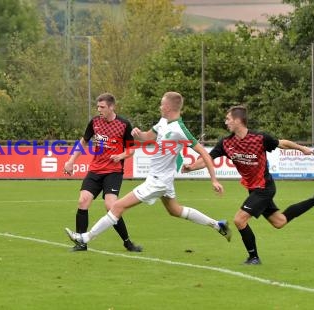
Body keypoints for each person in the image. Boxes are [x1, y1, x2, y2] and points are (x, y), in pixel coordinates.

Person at [65, 91, 231, 249]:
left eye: (162, 105)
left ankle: (84, 237)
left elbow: (205, 154)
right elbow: (146, 137)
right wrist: (138, 134)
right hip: (162, 179)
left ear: (169, 108)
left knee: (116, 207)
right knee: (175, 210)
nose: (160, 107)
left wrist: (214, 179)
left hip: (158, 181)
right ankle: (218, 225)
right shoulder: (163, 122)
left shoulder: (180, 130)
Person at [181, 105, 314, 265]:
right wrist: (191, 167)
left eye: (228, 119)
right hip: (253, 189)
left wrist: (302, 149)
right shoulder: (226, 143)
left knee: (239, 220)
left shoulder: (259, 138)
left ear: (238, 120)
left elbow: (282, 143)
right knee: (279, 222)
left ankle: (253, 257)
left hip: (264, 187)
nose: (226, 122)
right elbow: (208, 159)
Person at [63, 93, 141, 252]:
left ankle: (127, 242)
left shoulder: (124, 124)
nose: (99, 110)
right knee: (83, 201)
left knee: (111, 206)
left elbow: (132, 149)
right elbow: (83, 142)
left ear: (112, 107)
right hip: (95, 170)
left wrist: (121, 155)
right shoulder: (94, 122)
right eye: (98, 107)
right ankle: (81, 242)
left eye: (102, 107)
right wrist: (71, 161)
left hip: (113, 171)